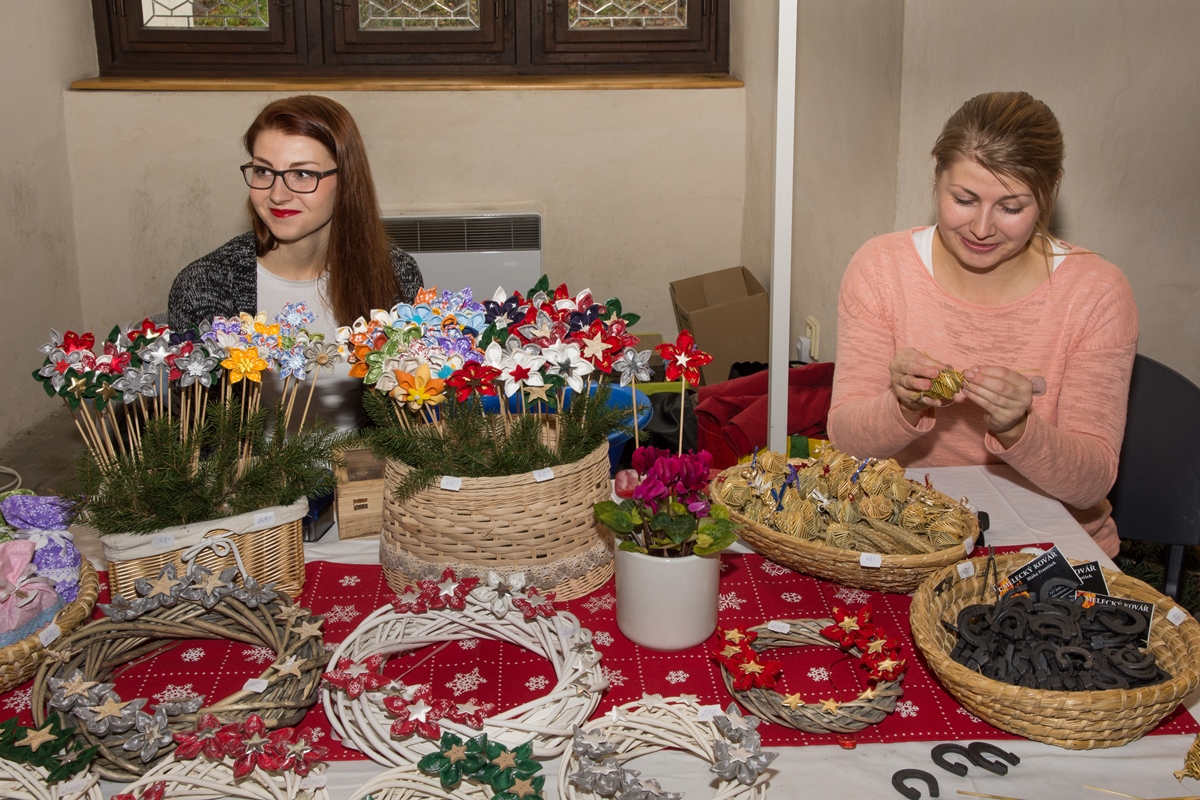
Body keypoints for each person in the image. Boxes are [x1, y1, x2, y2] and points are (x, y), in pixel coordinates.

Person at [827, 91, 1138, 557]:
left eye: (1011, 208)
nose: (982, 228)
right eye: (964, 199)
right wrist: (903, 405)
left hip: (1049, 545)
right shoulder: (881, 268)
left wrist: (1019, 429)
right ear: (937, 177)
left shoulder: (1096, 293)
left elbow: (1089, 483)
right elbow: (847, 441)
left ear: (1048, 195)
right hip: (903, 531)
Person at [168, 95, 423, 427]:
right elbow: (192, 433)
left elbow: (413, 420)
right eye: (263, 171)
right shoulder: (205, 286)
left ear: (346, 181)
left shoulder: (395, 275)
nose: (277, 194)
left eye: (302, 174)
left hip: (368, 477)